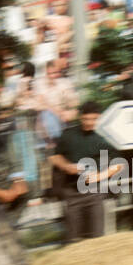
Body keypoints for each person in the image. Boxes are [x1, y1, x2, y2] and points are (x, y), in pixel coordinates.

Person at [48, 103, 125, 242]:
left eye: (94, 119)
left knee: (97, 238)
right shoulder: (68, 134)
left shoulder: (107, 136)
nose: (89, 123)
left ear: (100, 118)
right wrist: (67, 166)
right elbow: (55, 157)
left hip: (95, 193)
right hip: (71, 193)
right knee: (73, 239)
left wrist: (98, 177)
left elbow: (119, 165)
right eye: (86, 119)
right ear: (80, 118)